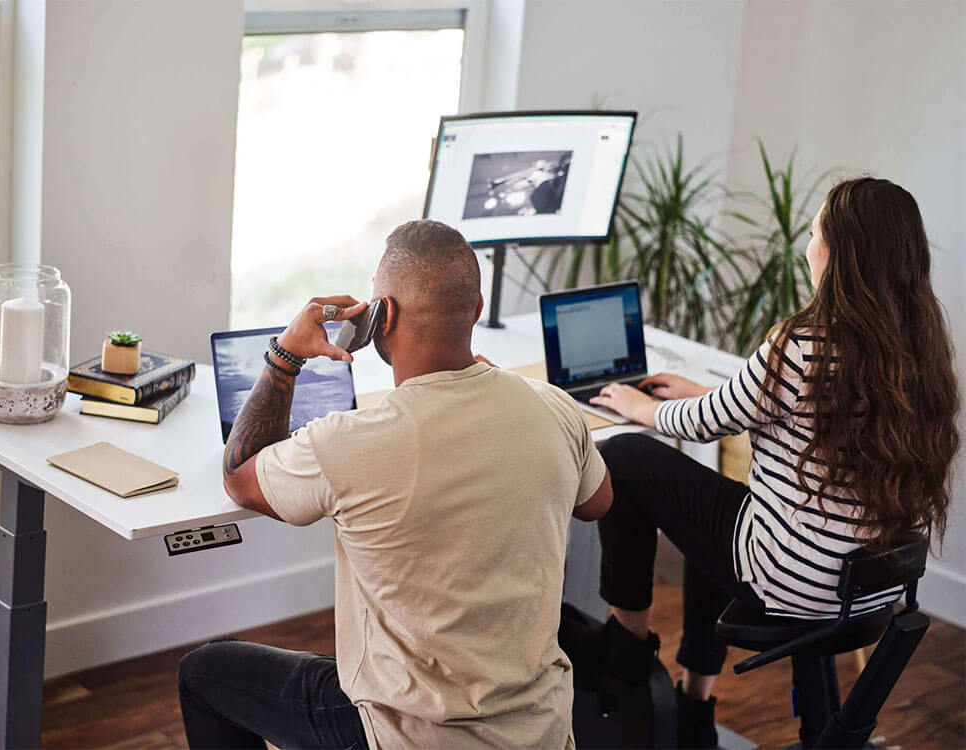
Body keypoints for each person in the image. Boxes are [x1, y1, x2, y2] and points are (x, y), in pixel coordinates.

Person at [177, 219, 613, 749]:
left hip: (406, 735)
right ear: (476, 310)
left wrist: (285, 354)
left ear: (381, 317)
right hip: (537, 731)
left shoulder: (349, 441)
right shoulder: (552, 407)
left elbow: (240, 478)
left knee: (204, 674)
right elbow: (598, 501)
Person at [584, 177, 959, 748]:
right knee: (718, 506)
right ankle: (694, 704)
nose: (807, 246)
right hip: (875, 584)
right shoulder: (918, 346)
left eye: (813, 234)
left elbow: (703, 422)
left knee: (625, 455)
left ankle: (627, 644)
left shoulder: (802, 343)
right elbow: (778, 406)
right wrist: (709, 389)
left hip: (796, 580)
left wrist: (639, 405)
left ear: (840, 255)